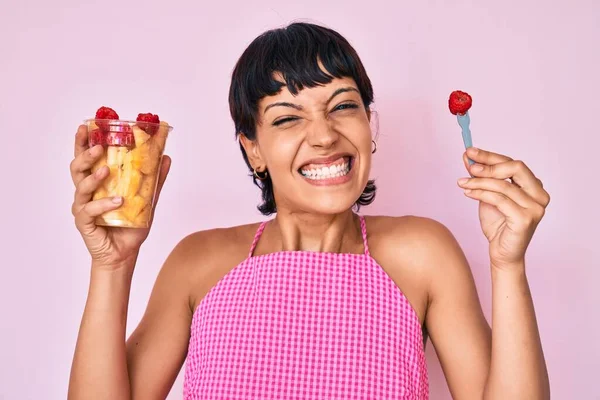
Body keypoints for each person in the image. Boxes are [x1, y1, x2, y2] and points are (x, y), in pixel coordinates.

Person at [67, 22, 551, 400]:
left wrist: (508, 265)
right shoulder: (198, 263)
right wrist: (113, 265)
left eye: (343, 106)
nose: (323, 135)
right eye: (287, 118)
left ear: (368, 122)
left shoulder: (423, 254)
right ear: (252, 149)